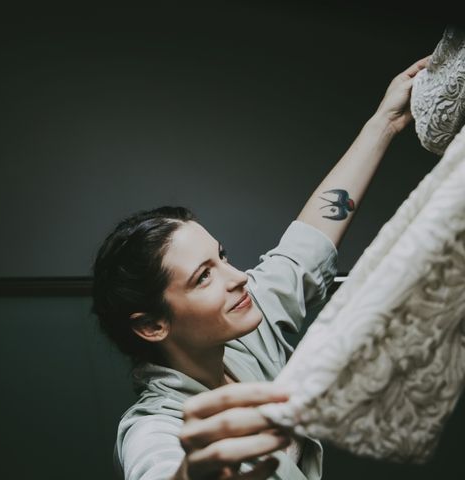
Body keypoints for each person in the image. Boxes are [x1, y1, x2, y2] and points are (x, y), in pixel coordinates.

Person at [91, 56, 430, 480]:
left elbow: (310, 240)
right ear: (153, 325)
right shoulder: (155, 426)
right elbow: (156, 466)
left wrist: (385, 121)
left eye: (223, 257)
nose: (239, 278)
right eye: (203, 277)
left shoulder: (246, 334)